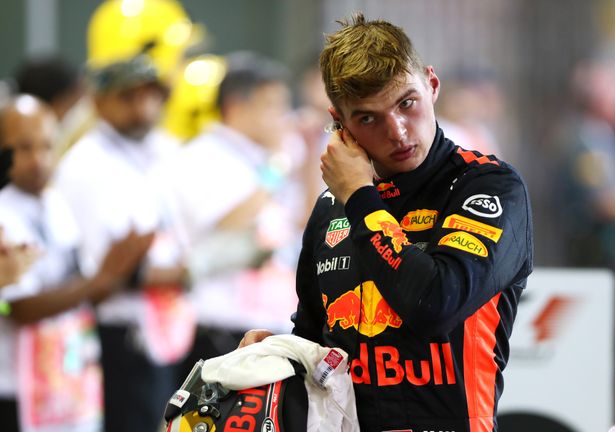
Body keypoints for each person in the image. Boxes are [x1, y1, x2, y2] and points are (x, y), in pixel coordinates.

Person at [241, 13, 533, 432]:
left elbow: (435, 306)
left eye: (406, 103)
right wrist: (279, 353)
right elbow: (316, 339)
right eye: (368, 118)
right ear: (340, 123)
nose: (396, 131)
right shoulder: (331, 207)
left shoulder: (488, 186)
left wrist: (360, 198)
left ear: (432, 86)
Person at [54, 55, 192, 432]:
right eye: (128, 97)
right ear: (99, 102)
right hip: (119, 331)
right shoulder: (85, 165)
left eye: (151, 97)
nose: (142, 108)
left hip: (166, 324)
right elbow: (109, 273)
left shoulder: (160, 150)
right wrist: (194, 272)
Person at [0, 95, 151, 432]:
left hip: (67, 380)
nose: (38, 160)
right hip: (15, 386)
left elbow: (81, 288)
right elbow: (19, 307)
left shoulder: (55, 202)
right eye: (23, 148)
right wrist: (101, 280)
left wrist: (118, 273)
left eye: (46, 146)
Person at [161, 52, 304, 369]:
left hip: (271, 321)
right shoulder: (203, 156)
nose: (284, 117)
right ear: (237, 107)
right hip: (222, 324)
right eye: (273, 106)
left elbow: (297, 224)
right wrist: (278, 168)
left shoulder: (259, 158)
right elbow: (230, 221)